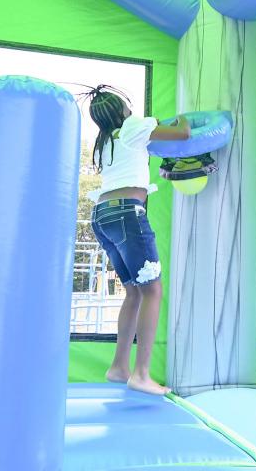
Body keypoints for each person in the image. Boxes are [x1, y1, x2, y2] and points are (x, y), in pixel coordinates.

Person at [81, 84, 190, 395]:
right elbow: (181, 132)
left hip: (102, 217)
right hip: (127, 214)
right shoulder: (133, 127)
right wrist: (179, 117)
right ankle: (141, 373)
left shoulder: (105, 141)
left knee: (134, 293)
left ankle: (118, 367)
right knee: (153, 290)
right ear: (122, 111)